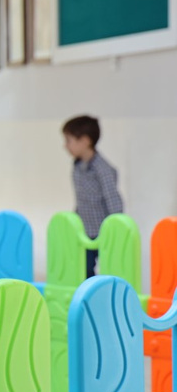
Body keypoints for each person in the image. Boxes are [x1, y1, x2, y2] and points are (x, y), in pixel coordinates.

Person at [62, 115, 124, 277]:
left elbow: (113, 200)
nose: (65, 146)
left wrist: (115, 228)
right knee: (83, 267)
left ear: (85, 141)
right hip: (84, 229)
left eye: (69, 141)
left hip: (101, 231)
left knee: (109, 267)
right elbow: (81, 199)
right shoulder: (77, 166)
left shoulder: (102, 169)